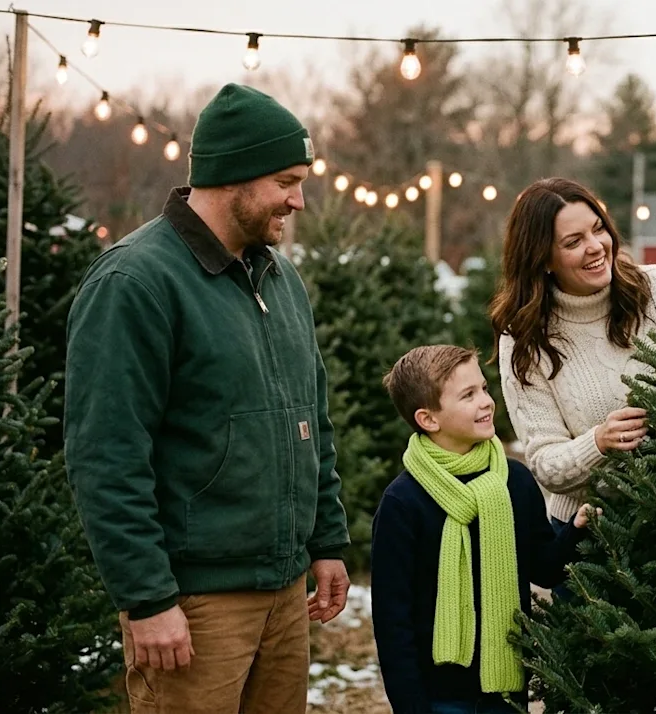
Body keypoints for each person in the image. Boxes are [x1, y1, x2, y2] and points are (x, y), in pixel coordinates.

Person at [64, 83, 350, 714]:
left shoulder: (281, 279)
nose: (299, 200)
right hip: (193, 608)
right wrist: (148, 599)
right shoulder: (135, 282)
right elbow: (106, 454)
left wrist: (327, 543)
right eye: (285, 180)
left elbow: (312, 421)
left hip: (284, 594)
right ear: (233, 175)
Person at [372, 345, 596, 714]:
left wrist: (576, 529)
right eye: (468, 395)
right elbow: (393, 620)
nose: (486, 402)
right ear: (428, 419)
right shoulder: (403, 503)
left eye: (484, 389)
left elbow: (543, 567)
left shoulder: (514, 480)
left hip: (506, 690)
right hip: (437, 697)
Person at [491, 177, 656, 532]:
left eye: (598, 229)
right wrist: (599, 442)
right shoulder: (524, 338)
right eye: (573, 242)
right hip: (592, 535)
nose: (596, 246)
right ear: (543, 259)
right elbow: (545, 463)